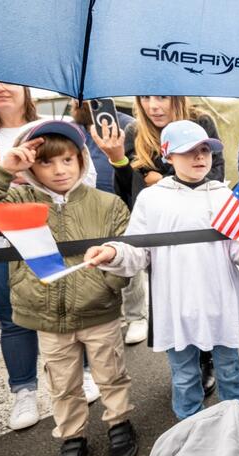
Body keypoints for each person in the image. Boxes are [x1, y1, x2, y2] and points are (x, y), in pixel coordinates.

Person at [0, 121, 138, 456]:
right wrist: (4, 171)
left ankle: (119, 422)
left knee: (111, 373)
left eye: (69, 160)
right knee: (62, 382)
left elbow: (127, 248)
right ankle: (72, 436)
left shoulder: (106, 202)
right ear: (31, 166)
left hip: (99, 312)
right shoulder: (19, 200)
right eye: (47, 163)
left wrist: (109, 282)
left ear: (82, 160)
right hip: (46, 316)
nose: (60, 170)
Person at [85, 120, 239, 419]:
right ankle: (191, 431)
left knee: (229, 371)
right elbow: (138, 251)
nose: (200, 157)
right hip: (175, 307)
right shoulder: (151, 198)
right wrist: (113, 252)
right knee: (185, 377)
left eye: (205, 150)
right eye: (189, 151)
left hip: (220, 302)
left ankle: (237, 424)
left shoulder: (224, 196)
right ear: (168, 156)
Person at [0, 80, 100, 430]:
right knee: (12, 319)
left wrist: (40, 179)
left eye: (6, 81)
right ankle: (23, 391)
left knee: (67, 312)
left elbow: (87, 180)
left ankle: (82, 373)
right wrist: (2, 173)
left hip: (53, 241)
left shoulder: (55, 130)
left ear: (25, 88)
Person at [92, 95, 221, 392]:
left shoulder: (201, 121)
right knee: (171, 296)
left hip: (200, 226)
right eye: (146, 98)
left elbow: (214, 174)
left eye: (161, 97)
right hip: (161, 228)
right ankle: (184, 365)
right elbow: (127, 193)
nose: (154, 106)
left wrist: (162, 178)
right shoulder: (135, 133)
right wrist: (118, 160)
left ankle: (207, 357)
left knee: (204, 295)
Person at [69, 99, 148, 346]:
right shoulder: (72, 129)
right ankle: (105, 317)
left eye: (93, 99)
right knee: (93, 260)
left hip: (119, 202)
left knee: (128, 255)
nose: (81, 102)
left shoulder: (128, 125)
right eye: (77, 99)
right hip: (82, 205)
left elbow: (136, 165)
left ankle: (136, 316)